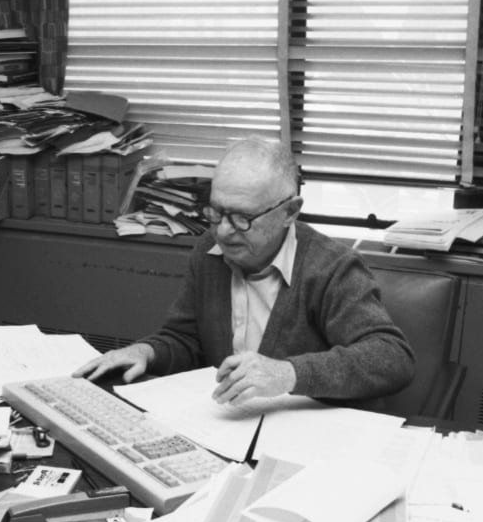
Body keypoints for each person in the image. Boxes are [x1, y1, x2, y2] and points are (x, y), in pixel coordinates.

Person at [74, 136, 415, 409]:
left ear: (289, 212)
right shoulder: (209, 251)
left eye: (242, 219)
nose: (223, 232)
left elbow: (391, 358)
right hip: (229, 427)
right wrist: (145, 352)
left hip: (306, 439)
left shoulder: (332, 267)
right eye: (217, 212)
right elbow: (187, 340)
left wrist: (288, 373)